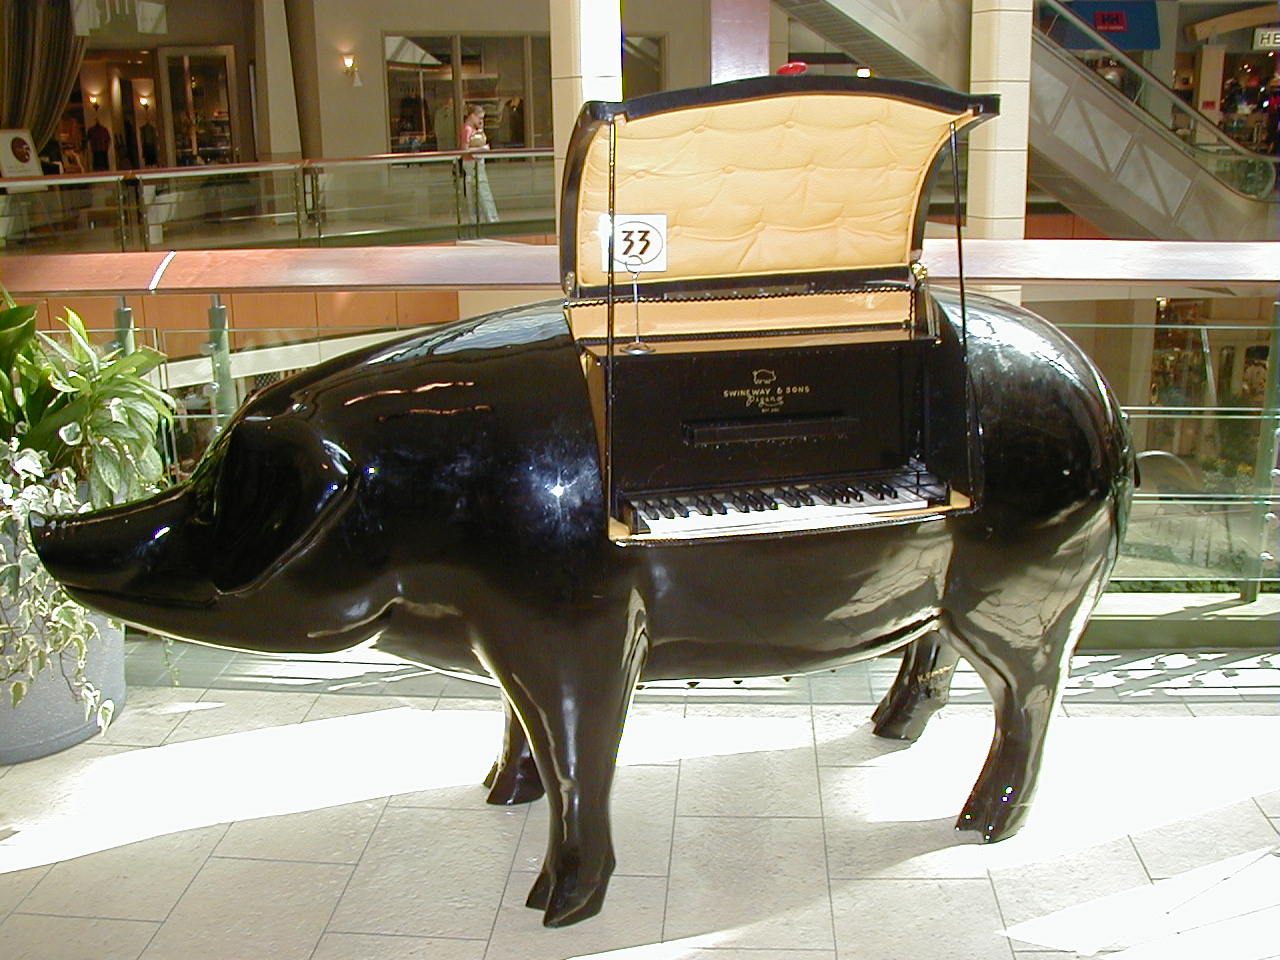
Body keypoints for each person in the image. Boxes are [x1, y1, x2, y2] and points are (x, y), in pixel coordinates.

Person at [460, 103, 499, 224]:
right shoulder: (467, 130)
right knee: (482, 192)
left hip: (476, 163)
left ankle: (479, 220)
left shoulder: (476, 129)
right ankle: (491, 219)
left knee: (477, 193)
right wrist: (481, 149)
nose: (481, 121)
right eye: (480, 118)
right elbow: (465, 150)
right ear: (472, 116)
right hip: (472, 164)